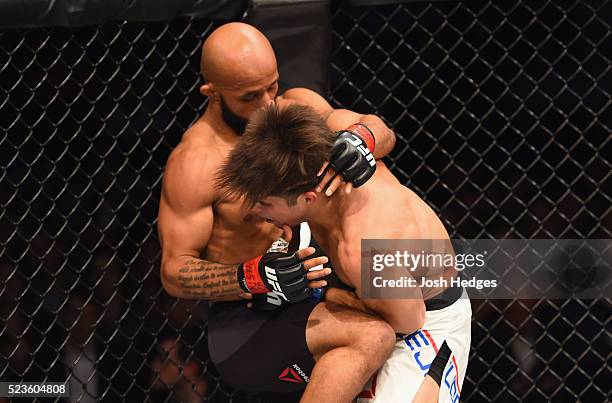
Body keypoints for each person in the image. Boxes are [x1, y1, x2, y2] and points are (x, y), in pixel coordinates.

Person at [158, 22, 399, 402]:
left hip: (318, 296)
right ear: (212, 92)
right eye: (250, 96)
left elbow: (381, 130)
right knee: (374, 337)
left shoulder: (293, 108)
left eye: (272, 86)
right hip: (247, 322)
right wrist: (254, 277)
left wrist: (361, 141)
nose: (267, 104)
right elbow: (174, 271)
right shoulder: (197, 163)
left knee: (409, 307)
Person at [216, 103, 472, 402]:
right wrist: (363, 135)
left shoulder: (362, 251)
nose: (254, 210)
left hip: (426, 320)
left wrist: (331, 295)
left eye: (265, 203)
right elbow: (376, 125)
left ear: (307, 198)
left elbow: (409, 320)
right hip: (381, 298)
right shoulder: (326, 140)